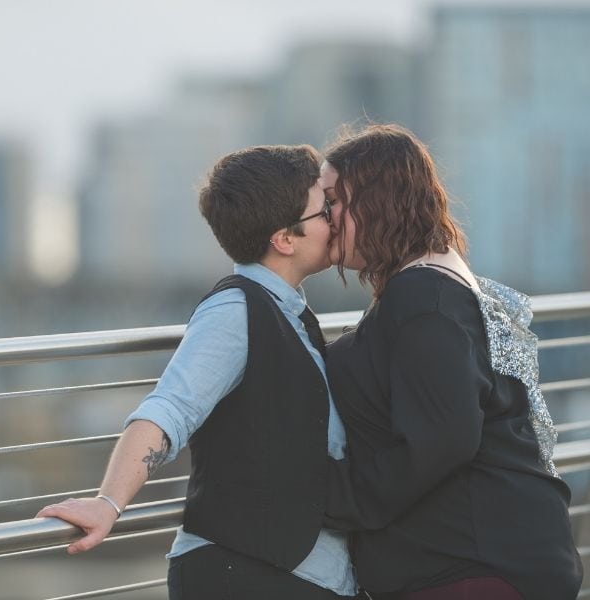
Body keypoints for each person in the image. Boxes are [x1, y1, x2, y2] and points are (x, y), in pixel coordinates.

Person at [37, 144, 360, 600]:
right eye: (325, 208)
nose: (337, 217)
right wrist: (108, 503)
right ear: (284, 238)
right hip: (245, 576)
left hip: (290, 575)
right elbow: (169, 408)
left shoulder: (288, 314)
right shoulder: (235, 311)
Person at [318, 123, 583, 600]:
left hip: (474, 569)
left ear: (378, 201)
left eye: (334, 199)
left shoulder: (423, 297)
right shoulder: (434, 284)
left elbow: (444, 438)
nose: (325, 216)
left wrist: (329, 495)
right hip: (482, 559)